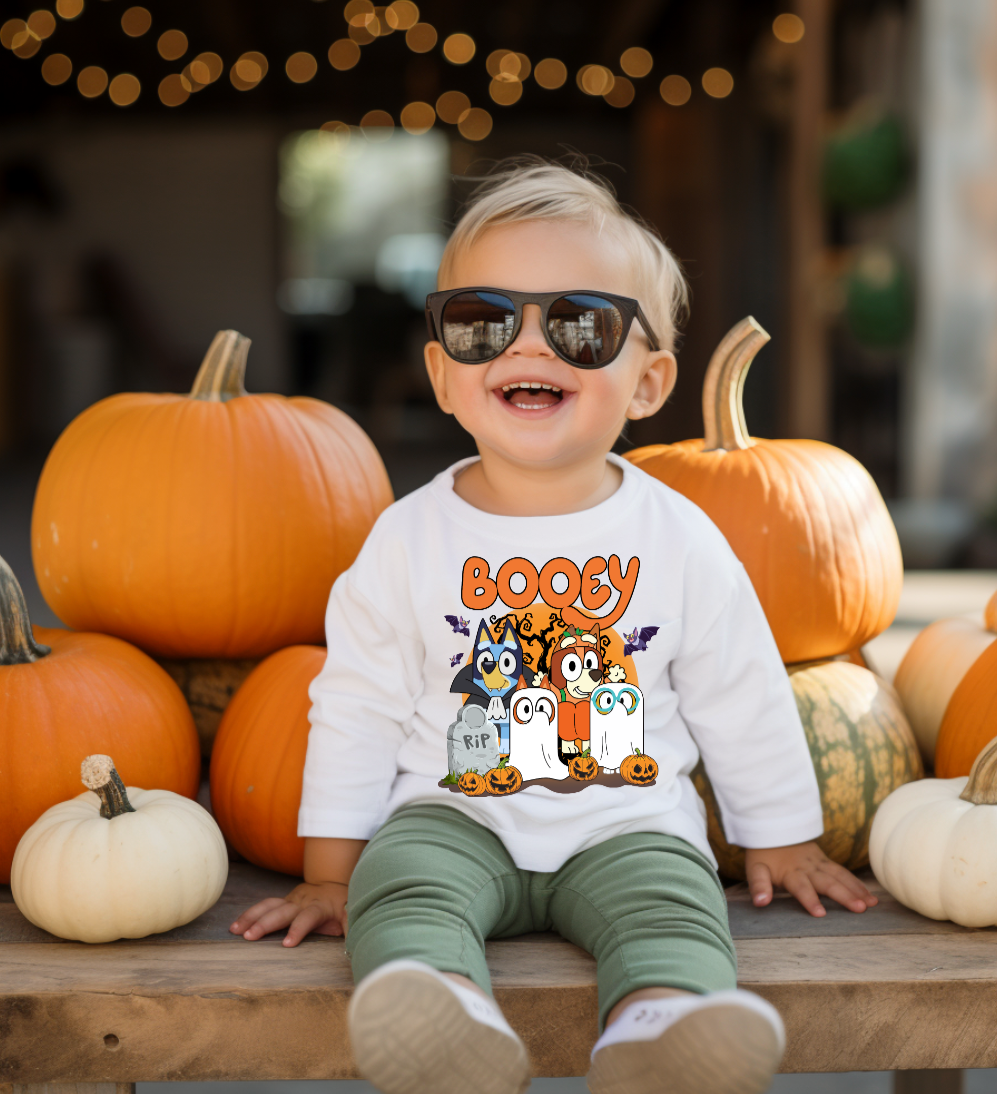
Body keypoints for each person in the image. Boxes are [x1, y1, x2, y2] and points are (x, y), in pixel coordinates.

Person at [230, 157, 877, 1094]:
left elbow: (738, 685)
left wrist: (778, 835)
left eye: (579, 326)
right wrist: (333, 871)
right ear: (443, 374)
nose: (527, 348)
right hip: (453, 812)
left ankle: (662, 1026)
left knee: (677, 908)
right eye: (483, 322)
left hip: (628, 820)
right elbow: (358, 702)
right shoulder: (405, 538)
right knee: (400, 891)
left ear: (649, 381)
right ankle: (437, 1010)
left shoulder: (679, 536)